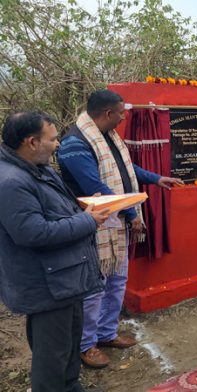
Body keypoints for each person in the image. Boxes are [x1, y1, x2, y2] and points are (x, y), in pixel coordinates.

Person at [57, 90, 183, 369]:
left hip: (116, 222)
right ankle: (86, 345)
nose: (125, 116)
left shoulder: (108, 136)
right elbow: (96, 188)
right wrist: (130, 213)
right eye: (121, 112)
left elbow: (126, 169)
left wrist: (156, 178)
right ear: (107, 114)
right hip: (92, 225)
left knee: (116, 281)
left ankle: (106, 333)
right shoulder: (75, 144)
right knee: (95, 287)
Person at [0, 111, 109, 391]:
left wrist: (83, 206)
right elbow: (32, 232)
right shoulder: (11, 182)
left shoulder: (39, 168)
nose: (58, 144)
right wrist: (88, 220)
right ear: (32, 142)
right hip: (46, 286)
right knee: (52, 356)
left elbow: (56, 209)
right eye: (53, 138)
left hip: (65, 278)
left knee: (69, 347)